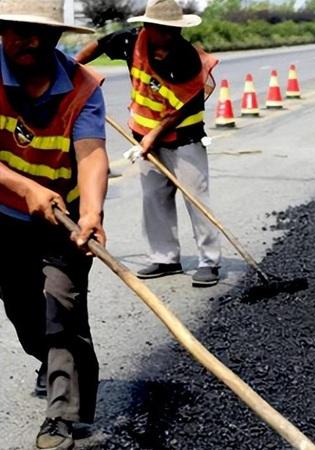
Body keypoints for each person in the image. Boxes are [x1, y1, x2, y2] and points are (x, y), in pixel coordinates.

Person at [0, 1, 108, 448]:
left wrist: (91, 214)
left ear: (59, 36)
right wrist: (24, 188)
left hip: (66, 220)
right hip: (6, 215)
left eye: (43, 33)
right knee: (24, 311)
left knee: (61, 307)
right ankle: (49, 361)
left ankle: (64, 415)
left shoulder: (83, 86)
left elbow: (91, 153)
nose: (32, 41)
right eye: (21, 31)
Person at [75, 0, 221, 287]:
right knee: (154, 197)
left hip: (184, 136)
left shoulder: (187, 58)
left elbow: (186, 106)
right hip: (143, 133)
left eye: (173, 30)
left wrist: (155, 135)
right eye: (162, 30)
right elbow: (101, 44)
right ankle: (165, 258)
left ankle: (209, 261)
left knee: (196, 199)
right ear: (148, 27)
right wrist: (73, 67)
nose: (169, 36)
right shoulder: (130, 42)